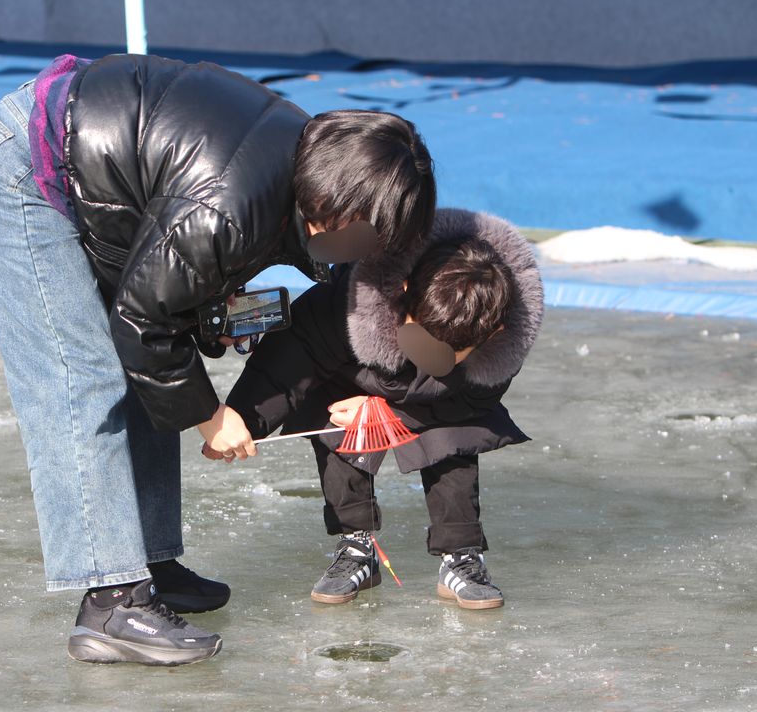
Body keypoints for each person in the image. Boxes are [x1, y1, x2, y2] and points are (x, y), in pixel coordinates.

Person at [0, 52, 436, 664]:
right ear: (337, 208)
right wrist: (213, 416)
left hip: (97, 160)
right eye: (371, 236)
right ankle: (112, 603)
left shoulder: (302, 167)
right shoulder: (230, 205)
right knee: (82, 380)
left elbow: (171, 281)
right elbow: (142, 322)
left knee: (142, 375)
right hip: (21, 168)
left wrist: (208, 305)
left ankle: (146, 563)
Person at [222, 208, 543, 610]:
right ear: (404, 289)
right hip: (354, 372)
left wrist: (388, 414)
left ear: (493, 333)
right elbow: (290, 355)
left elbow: (471, 400)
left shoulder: (502, 339)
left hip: (437, 399)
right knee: (335, 420)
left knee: (455, 431)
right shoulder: (349, 304)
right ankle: (357, 545)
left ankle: (461, 554)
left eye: (450, 353)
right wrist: (242, 417)